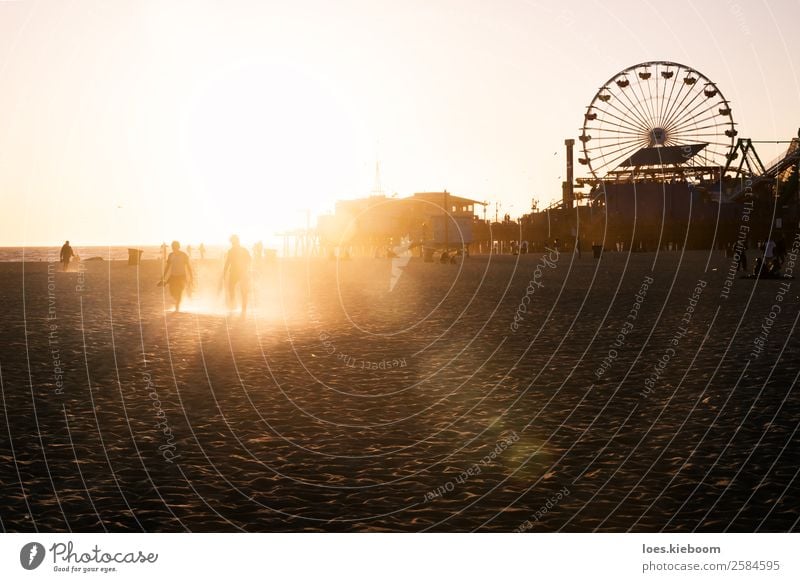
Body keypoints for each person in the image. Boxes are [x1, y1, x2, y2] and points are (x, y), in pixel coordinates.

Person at [223, 235, 252, 317]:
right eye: (232, 242)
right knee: (238, 289)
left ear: (235, 242)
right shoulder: (242, 250)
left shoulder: (232, 250)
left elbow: (227, 262)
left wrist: (224, 272)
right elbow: (249, 259)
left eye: (232, 242)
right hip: (240, 272)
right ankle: (240, 307)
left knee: (234, 289)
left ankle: (237, 306)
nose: (232, 243)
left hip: (237, 273)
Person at [163, 241, 193, 313]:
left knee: (179, 292)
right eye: (173, 247)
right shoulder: (170, 255)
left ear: (178, 247)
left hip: (182, 276)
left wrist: (191, 276)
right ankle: (177, 301)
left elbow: (188, 266)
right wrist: (163, 276)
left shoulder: (184, 255)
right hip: (173, 276)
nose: (174, 248)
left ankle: (177, 306)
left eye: (175, 246)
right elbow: (168, 266)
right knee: (172, 292)